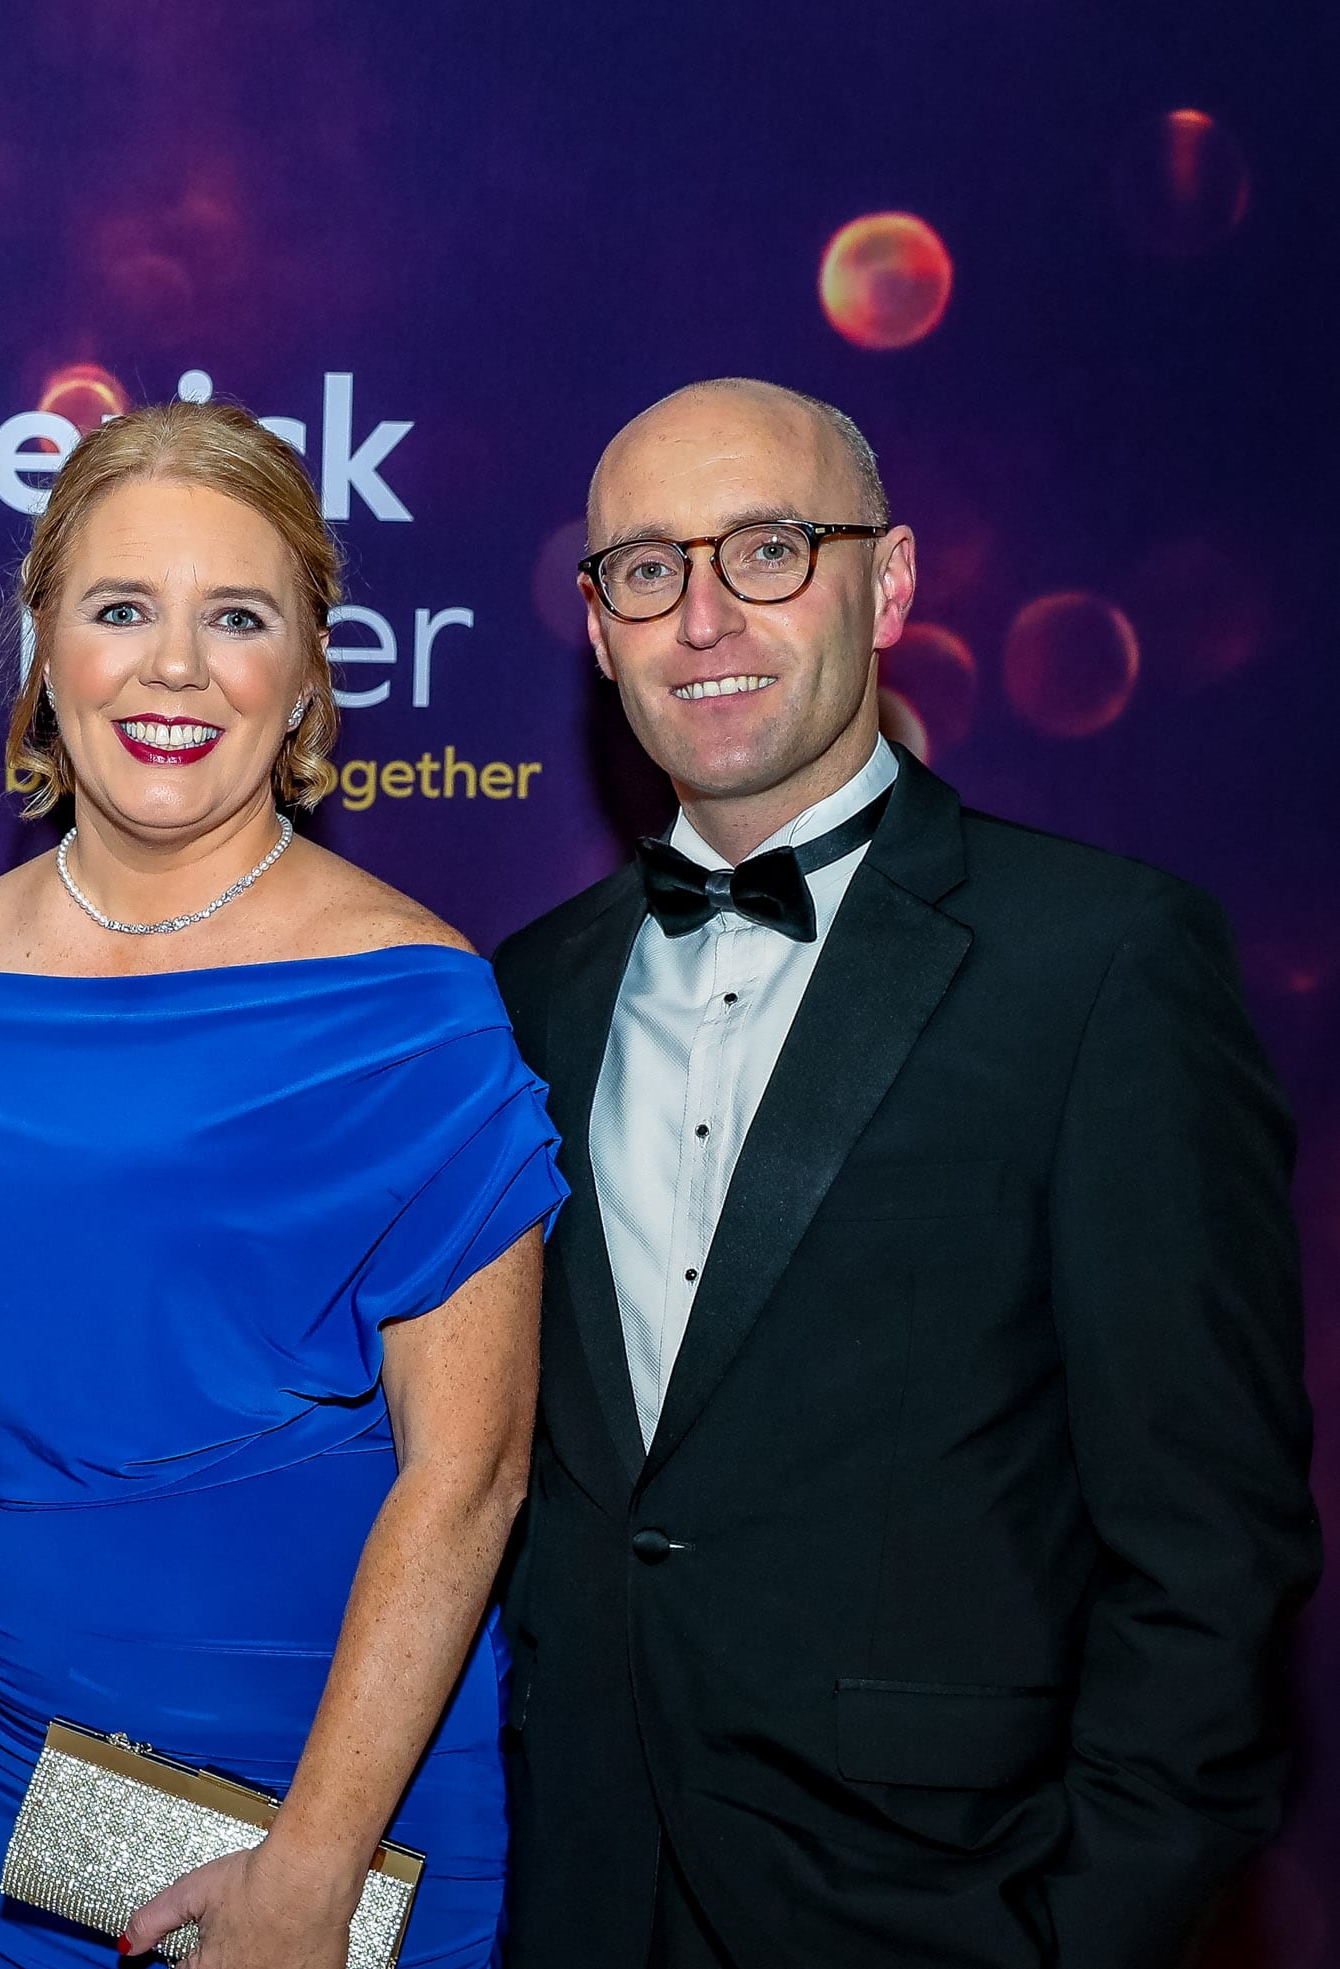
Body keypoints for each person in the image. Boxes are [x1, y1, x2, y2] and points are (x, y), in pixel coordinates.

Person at [492, 378, 1317, 1969]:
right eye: (647, 569)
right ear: (597, 631)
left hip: (939, 1906)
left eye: (770, 548)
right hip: (575, 1892)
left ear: (889, 581)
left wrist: (1085, 1930)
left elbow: (1211, 1544)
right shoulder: (522, 991)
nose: (705, 615)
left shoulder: (1101, 960)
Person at [0, 400, 566, 1969]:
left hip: (339, 1826)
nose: (174, 667)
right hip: (25, 1804)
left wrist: (310, 1872)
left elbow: (465, 1475)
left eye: (237, 617)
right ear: (44, 642)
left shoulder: (408, 1000)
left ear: (304, 678)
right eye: (122, 608)